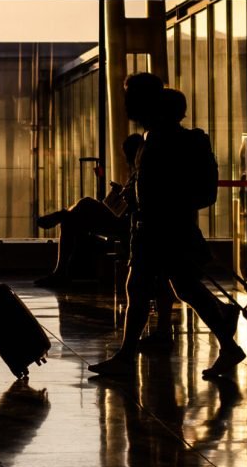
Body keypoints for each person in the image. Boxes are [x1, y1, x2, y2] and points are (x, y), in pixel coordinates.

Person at [89, 74, 244, 378]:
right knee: (182, 287)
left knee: (146, 288)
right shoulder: (160, 137)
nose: (126, 103)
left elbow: (160, 187)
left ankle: (126, 356)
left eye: (130, 96)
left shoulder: (159, 140)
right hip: (167, 228)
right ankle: (227, 344)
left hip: (160, 229)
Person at [35, 133, 177, 348]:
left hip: (128, 224)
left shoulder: (144, 170)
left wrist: (124, 195)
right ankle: (64, 220)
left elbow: (138, 203)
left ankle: (62, 229)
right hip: (125, 220)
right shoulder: (141, 170)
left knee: (83, 206)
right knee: (74, 218)